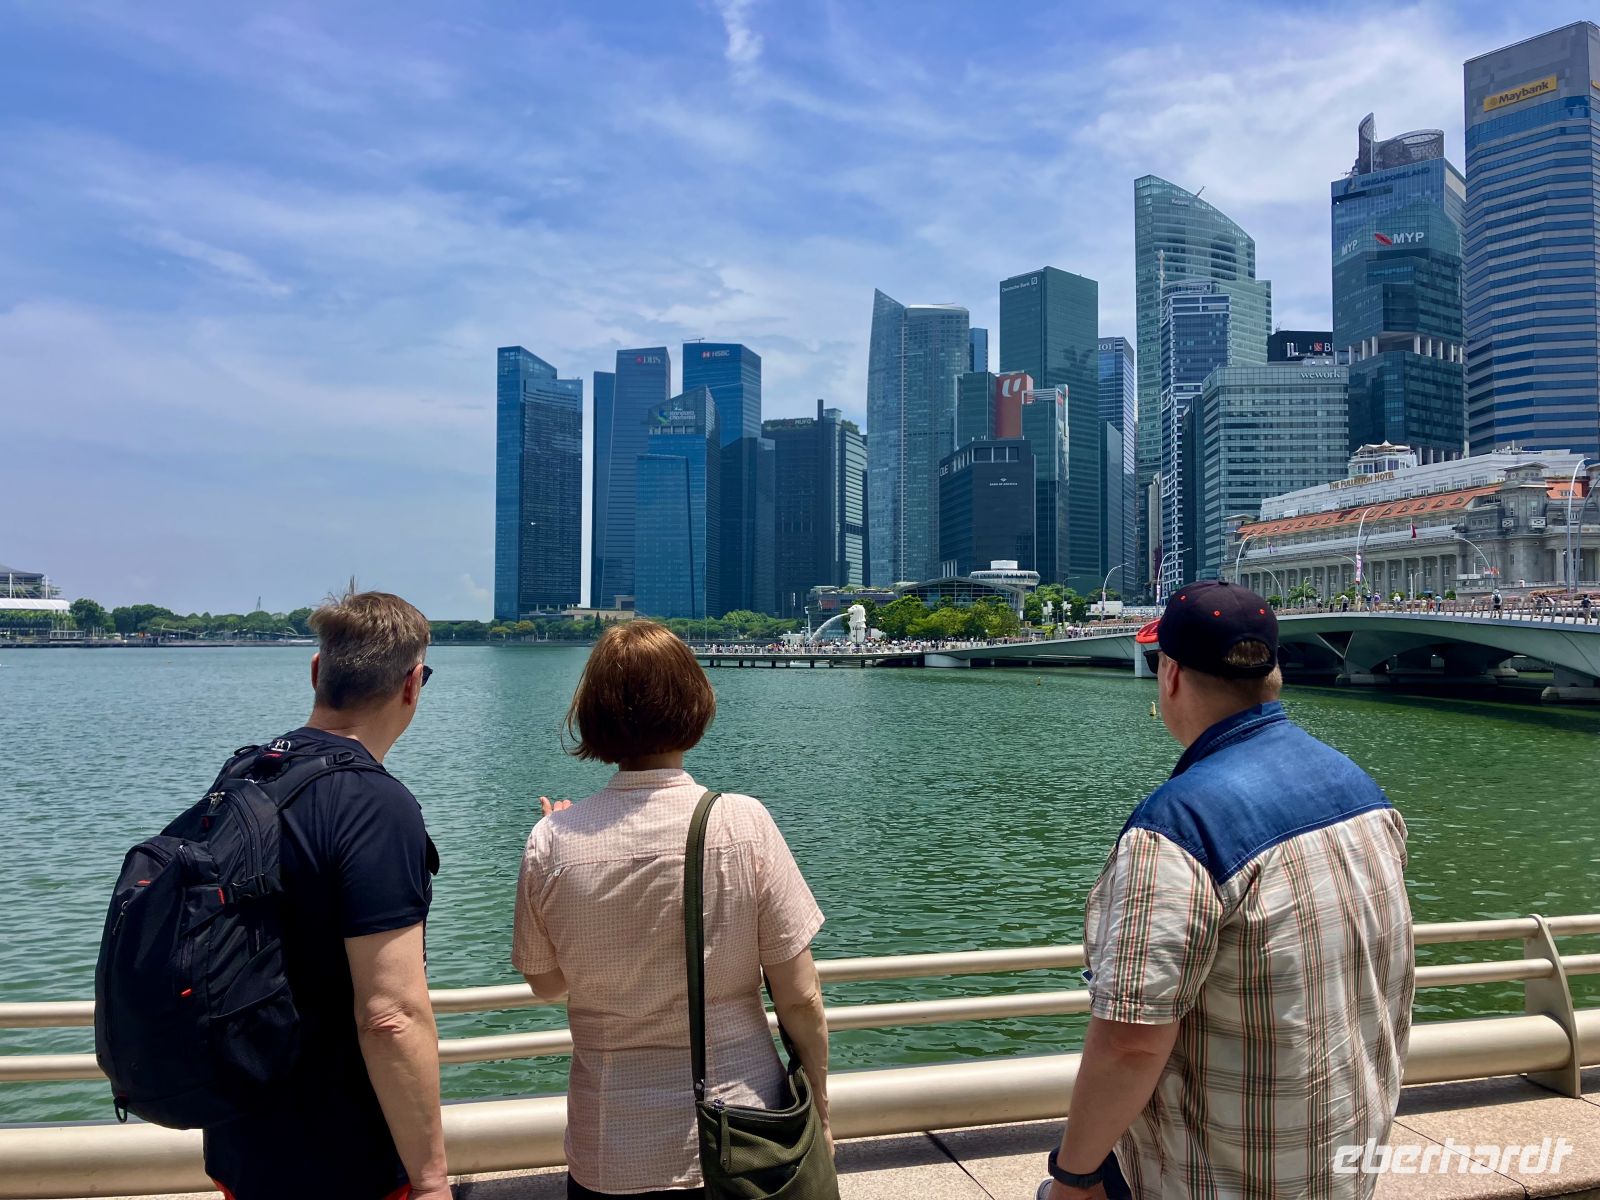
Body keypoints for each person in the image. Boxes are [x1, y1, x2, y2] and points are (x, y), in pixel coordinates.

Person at [1039, 581, 1412, 1200]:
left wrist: (1075, 1177)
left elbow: (1131, 1042)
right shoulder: (1361, 791)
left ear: (1170, 675)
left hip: (1217, 1178)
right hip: (1343, 1160)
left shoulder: (1178, 829)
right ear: (1273, 671)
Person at [514, 620, 831, 1199]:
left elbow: (548, 984)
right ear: (695, 704)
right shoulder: (743, 823)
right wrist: (822, 1110)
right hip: (743, 1133)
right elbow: (800, 996)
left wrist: (560, 834)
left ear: (593, 714)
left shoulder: (551, 841)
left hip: (610, 1147)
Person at [204, 590, 446, 1200]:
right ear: (412, 684)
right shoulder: (376, 806)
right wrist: (431, 1180)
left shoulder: (243, 774)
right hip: (343, 1158)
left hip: (240, 1142)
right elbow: (390, 1016)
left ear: (317, 671)